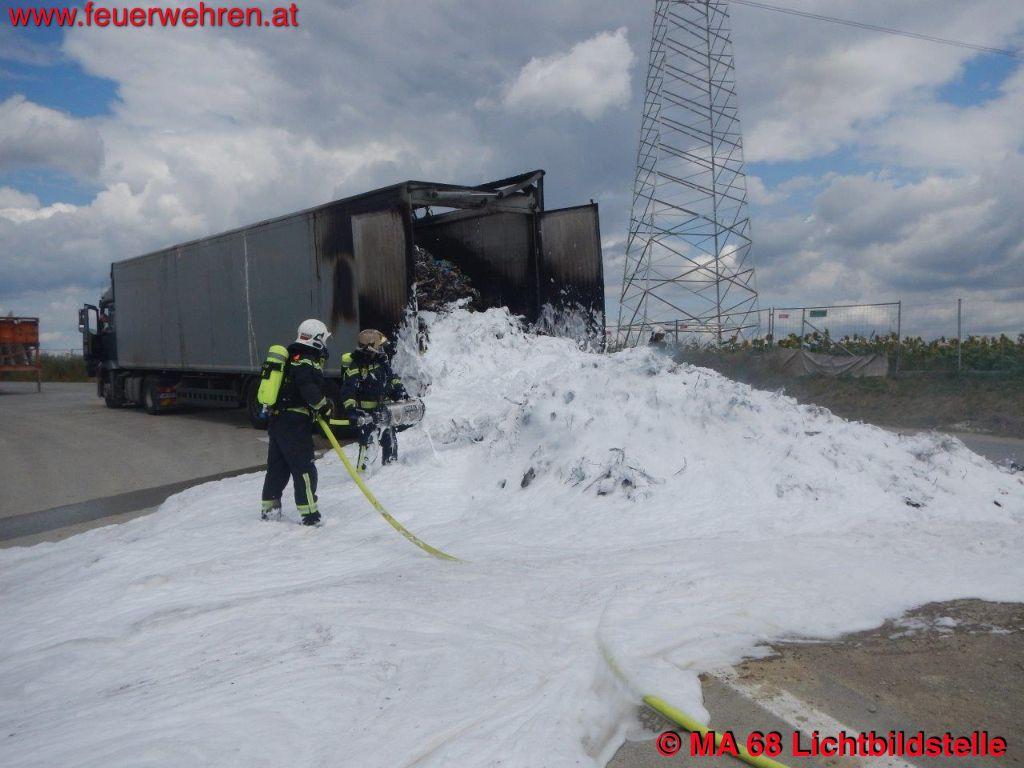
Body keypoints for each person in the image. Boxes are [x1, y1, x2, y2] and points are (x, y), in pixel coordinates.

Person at [260, 319, 333, 526]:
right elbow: (307, 386)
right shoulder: (307, 360)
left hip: (278, 420)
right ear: (317, 339)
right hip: (294, 423)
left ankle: (270, 510)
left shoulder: (293, 357)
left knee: (278, 467)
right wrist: (322, 405)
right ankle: (310, 515)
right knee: (304, 468)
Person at [340, 328, 408, 466]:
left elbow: (392, 379)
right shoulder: (356, 366)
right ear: (370, 348)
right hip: (366, 415)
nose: (382, 350)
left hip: (385, 412)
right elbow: (348, 390)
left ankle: (390, 471)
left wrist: (400, 391)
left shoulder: (382, 362)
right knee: (367, 445)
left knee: (390, 441)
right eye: (380, 347)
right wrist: (351, 410)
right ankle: (363, 473)